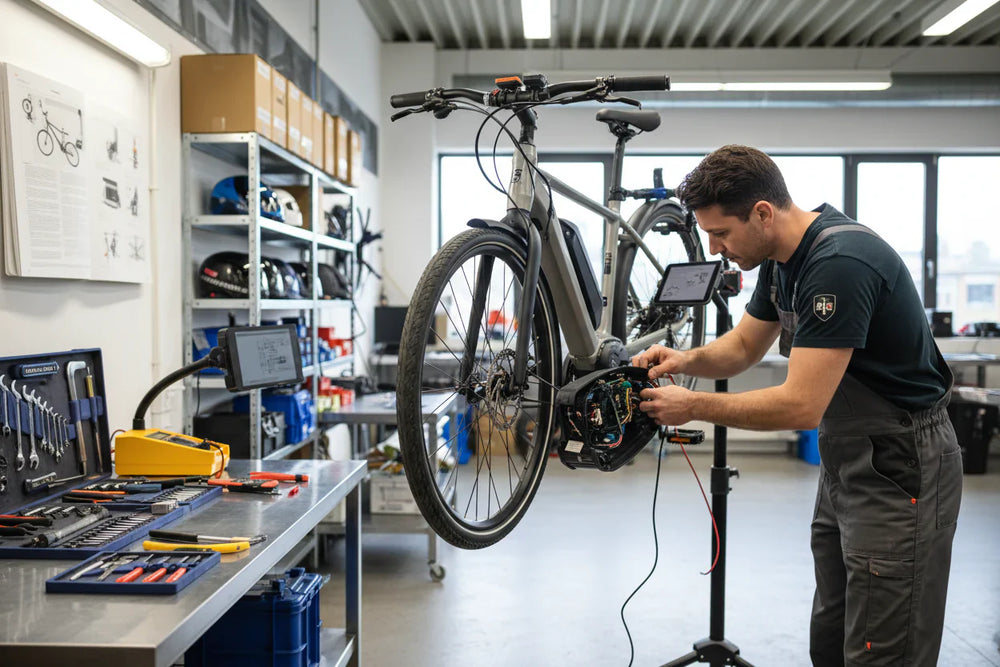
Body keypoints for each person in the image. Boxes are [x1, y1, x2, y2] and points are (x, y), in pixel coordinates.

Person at [632, 145, 962, 666]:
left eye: (721, 233)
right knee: (832, 635)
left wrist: (692, 404)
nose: (715, 249)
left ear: (762, 213)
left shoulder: (839, 265)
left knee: (882, 647)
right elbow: (744, 347)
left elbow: (801, 407)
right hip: (847, 458)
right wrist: (685, 358)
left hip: (901, 463)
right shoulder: (780, 260)